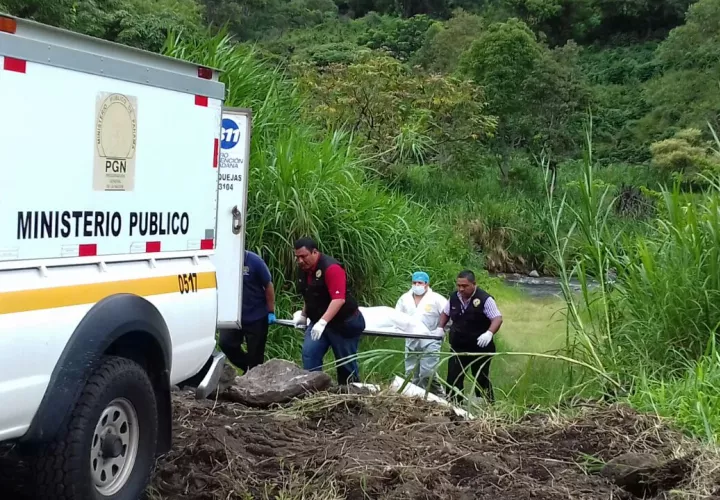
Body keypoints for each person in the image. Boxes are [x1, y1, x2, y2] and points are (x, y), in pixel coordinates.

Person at [293, 237, 366, 384]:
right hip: (319, 320)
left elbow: (339, 299)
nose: (300, 261)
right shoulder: (304, 270)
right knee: (309, 354)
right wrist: (303, 315)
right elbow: (310, 295)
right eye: (297, 257)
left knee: (345, 363)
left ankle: (349, 395)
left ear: (314, 252)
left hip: (342, 322)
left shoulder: (331, 268)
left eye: (303, 256)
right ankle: (314, 391)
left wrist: (323, 322)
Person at [439, 270, 503, 404]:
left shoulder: (485, 299)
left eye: (465, 286)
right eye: (458, 285)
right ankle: (454, 405)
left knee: (480, 376)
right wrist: (440, 328)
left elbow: (497, 318)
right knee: (453, 376)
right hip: (458, 346)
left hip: (480, 347)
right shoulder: (454, 297)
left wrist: (489, 333)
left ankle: (487, 403)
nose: (461, 289)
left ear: (474, 284)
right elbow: (446, 313)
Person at [218, 250, 276, 373]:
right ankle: (247, 367)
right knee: (226, 343)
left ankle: (254, 374)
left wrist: (271, 311)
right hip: (232, 315)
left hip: (256, 315)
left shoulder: (255, 261)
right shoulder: (224, 261)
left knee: (256, 354)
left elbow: (268, 285)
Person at [395, 271, 448, 396]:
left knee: (427, 374)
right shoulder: (405, 298)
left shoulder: (436, 299)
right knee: (411, 374)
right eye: (414, 282)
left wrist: (442, 329)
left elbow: (447, 314)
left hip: (430, 339)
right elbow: (397, 316)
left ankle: (440, 395)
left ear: (426, 284)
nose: (417, 285)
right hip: (411, 340)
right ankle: (416, 398)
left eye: (420, 282)